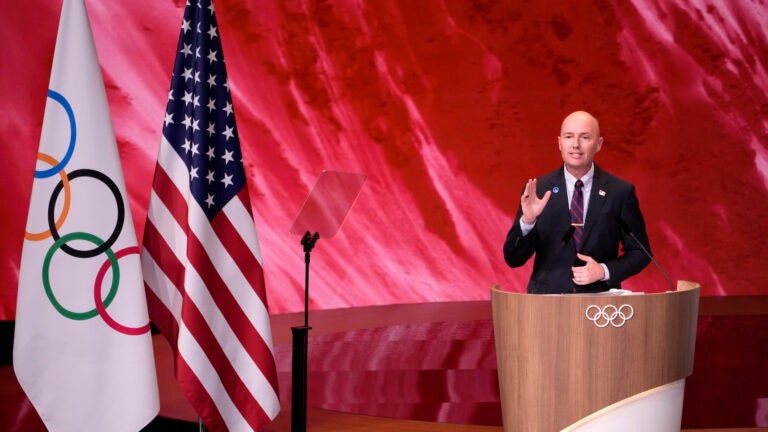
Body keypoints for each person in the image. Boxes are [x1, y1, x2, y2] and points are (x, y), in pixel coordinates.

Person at [503, 110, 652, 294]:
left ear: (598, 144)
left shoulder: (619, 192)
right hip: (546, 305)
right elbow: (513, 259)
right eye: (568, 137)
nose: (575, 145)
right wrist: (527, 222)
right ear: (559, 143)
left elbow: (641, 253)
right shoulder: (538, 190)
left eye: (585, 137)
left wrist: (604, 271)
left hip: (600, 302)